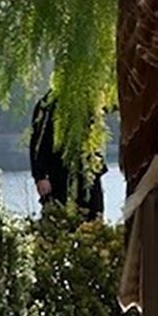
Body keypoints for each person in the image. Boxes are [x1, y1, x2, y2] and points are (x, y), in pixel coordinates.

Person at [29, 90, 107, 221]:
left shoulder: (90, 100)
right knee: (58, 219)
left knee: (93, 217)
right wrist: (40, 175)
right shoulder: (47, 105)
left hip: (87, 173)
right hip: (57, 174)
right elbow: (37, 142)